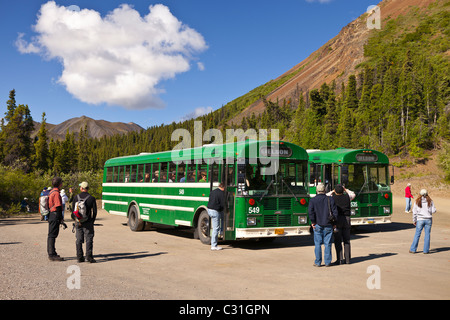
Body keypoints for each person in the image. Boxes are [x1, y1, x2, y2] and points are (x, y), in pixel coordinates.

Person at [309, 183, 338, 267]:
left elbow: (311, 212)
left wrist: (313, 222)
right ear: (325, 190)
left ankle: (318, 262)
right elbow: (335, 212)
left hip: (317, 224)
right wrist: (334, 223)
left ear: (317, 191)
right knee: (328, 244)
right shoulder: (330, 199)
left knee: (317, 244)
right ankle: (327, 262)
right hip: (328, 224)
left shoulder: (312, 200)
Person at [327, 184, 355, 265]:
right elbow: (353, 194)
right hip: (347, 219)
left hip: (337, 220)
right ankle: (347, 260)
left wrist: (332, 191)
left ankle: (339, 259)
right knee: (347, 240)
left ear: (335, 191)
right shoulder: (347, 197)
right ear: (343, 191)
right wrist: (346, 189)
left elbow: (325, 195)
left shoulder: (332, 198)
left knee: (338, 240)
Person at [72, 181, 97, 263]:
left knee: (79, 239)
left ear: (81, 188)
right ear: (88, 188)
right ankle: (89, 257)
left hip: (78, 221)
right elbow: (95, 211)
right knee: (89, 239)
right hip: (88, 221)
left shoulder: (76, 197)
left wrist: (75, 219)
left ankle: (79, 257)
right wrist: (92, 220)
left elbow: (73, 211)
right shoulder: (92, 198)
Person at [409, 189, 436, 254]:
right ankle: (426, 250)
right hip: (428, 219)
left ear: (420, 194)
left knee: (417, 234)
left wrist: (414, 220)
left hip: (420, 219)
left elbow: (414, 212)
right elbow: (433, 211)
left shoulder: (417, 201)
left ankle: (413, 249)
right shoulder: (430, 201)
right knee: (427, 234)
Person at [47, 177, 65, 261]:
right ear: (59, 184)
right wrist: (60, 218)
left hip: (51, 214)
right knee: (52, 235)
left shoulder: (51, 192)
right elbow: (58, 206)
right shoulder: (57, 193)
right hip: (55, 215)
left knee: (51, 234)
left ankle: (52, 252)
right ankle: (51, 254)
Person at [207, 183, 225, 251]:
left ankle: (222, 231)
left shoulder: (213, 192)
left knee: (223, 217)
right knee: (216, 228)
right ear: (223, 188)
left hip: (209, 210)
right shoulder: (221, 193)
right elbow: (223, 204)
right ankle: (214, 245)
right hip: (215, 211)